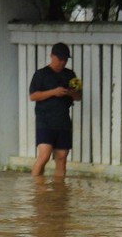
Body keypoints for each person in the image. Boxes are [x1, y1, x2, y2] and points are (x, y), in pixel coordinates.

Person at [30, 41, 83, 178]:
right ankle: (36, 187)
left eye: (65, 59)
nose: (62, 62)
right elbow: (33, 96)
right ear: (51, 56)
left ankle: (59, 193)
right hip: (45, 121)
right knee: (45, 155)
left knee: (62, 157)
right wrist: (53, 92)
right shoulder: (40, 74)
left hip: (63, 121)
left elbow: (79, 96)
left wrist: (70, 93)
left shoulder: (70, 74)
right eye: (60, 59)